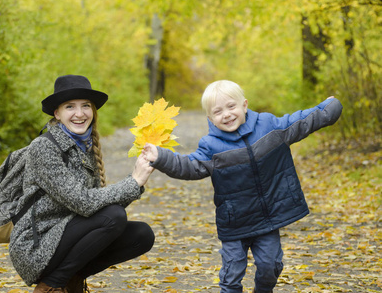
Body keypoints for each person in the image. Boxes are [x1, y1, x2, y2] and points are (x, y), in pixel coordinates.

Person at [142, 80, 343, 293]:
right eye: (218, 112)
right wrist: (161, 157)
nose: (226, 114)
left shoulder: (269, 126)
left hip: (268, 220)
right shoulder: (211, 146)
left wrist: (328, 108)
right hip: (235, 223)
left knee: (270, 267)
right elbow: (189, 166)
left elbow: (301, 121)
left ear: (244, 105)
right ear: (210, 119)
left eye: (231, 107)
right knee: (232, 274)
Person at [8, 74, 155, 293]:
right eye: (70, 107)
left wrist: (138, 177)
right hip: (36, 245)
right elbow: (83, 203)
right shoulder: (44, 147)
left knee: (142, 235)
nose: (79, 114)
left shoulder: (85, 147)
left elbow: (99, 207)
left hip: (67, 235)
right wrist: (133, 182)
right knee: (114, 216)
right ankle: (51, 285)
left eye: (86, 106)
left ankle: (71, 278)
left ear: (93, 112)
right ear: (57, 114)